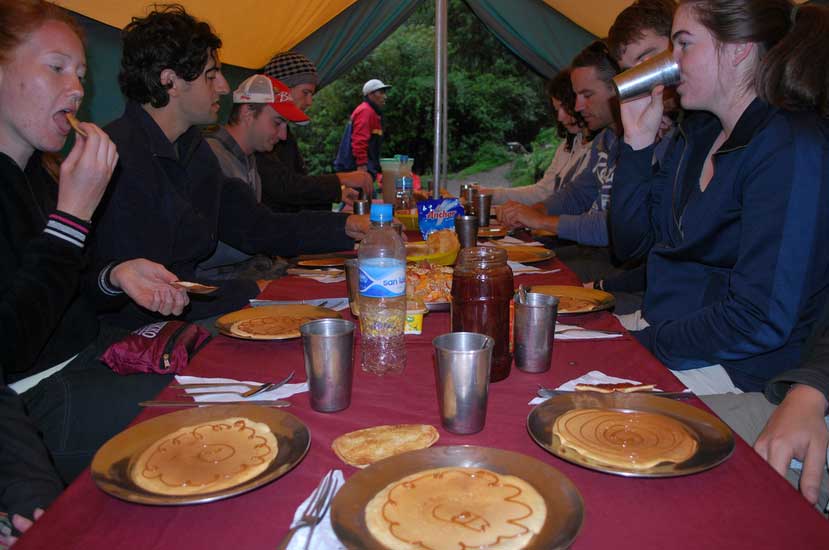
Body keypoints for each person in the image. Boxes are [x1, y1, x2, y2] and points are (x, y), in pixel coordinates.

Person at [0, 0, 189, 527]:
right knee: (202, 419)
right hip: (34, 400)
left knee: (227, 378)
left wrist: (114, 276)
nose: (78, 88)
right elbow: (12, 346)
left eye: (81, 73)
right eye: (56, 67)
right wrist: (74, 215)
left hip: (90, 360)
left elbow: (61, 287)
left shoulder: (38, 175)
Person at [91, 5, 370, 329]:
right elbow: (143, 293)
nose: (223, 87)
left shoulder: (192, 149)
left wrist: (346, 226)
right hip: (133, 339)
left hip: (187, 318)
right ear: (170, 81)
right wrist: (250, 289)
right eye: (211, 75)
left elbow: (254, 226)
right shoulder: (116, 156)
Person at [610, 0, 829, 394]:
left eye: (684, 45)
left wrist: (641, 347)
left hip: (734, 371)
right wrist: (637, 144)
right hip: (669, 335)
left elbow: (757, 319)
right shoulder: (699, 135)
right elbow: (631, 243)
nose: (672, 63)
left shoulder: (788, 146)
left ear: (738, 47)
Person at [199, 74, 309, 279]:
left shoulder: (248, 158)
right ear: (248, 112)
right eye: (277, 123)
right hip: (217, 280)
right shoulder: (210, 157)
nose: (284, 135)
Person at [257, 51, 372, 212]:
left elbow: (297, 186)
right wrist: (341, 179)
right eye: (306, 92)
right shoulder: (262, 137)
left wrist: (337, 192)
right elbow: (284, 186)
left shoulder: (284, 133)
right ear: (282, 90)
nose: (310, 102)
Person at [486, 69, 592, 206]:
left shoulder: (601, 148)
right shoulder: (566, 147)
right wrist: (491, 194)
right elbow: (542, 192)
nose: (560, 117)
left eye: (565, 107)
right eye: (556, 110)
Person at [334, 78, 392, 180]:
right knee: (359, 196)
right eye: (381, 93)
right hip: (354, 168)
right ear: (370, 94)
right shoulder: (365, 111)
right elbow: (359, 140)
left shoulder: (373, 113)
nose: (385, 97)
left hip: (362, 167)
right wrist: (361, 167)